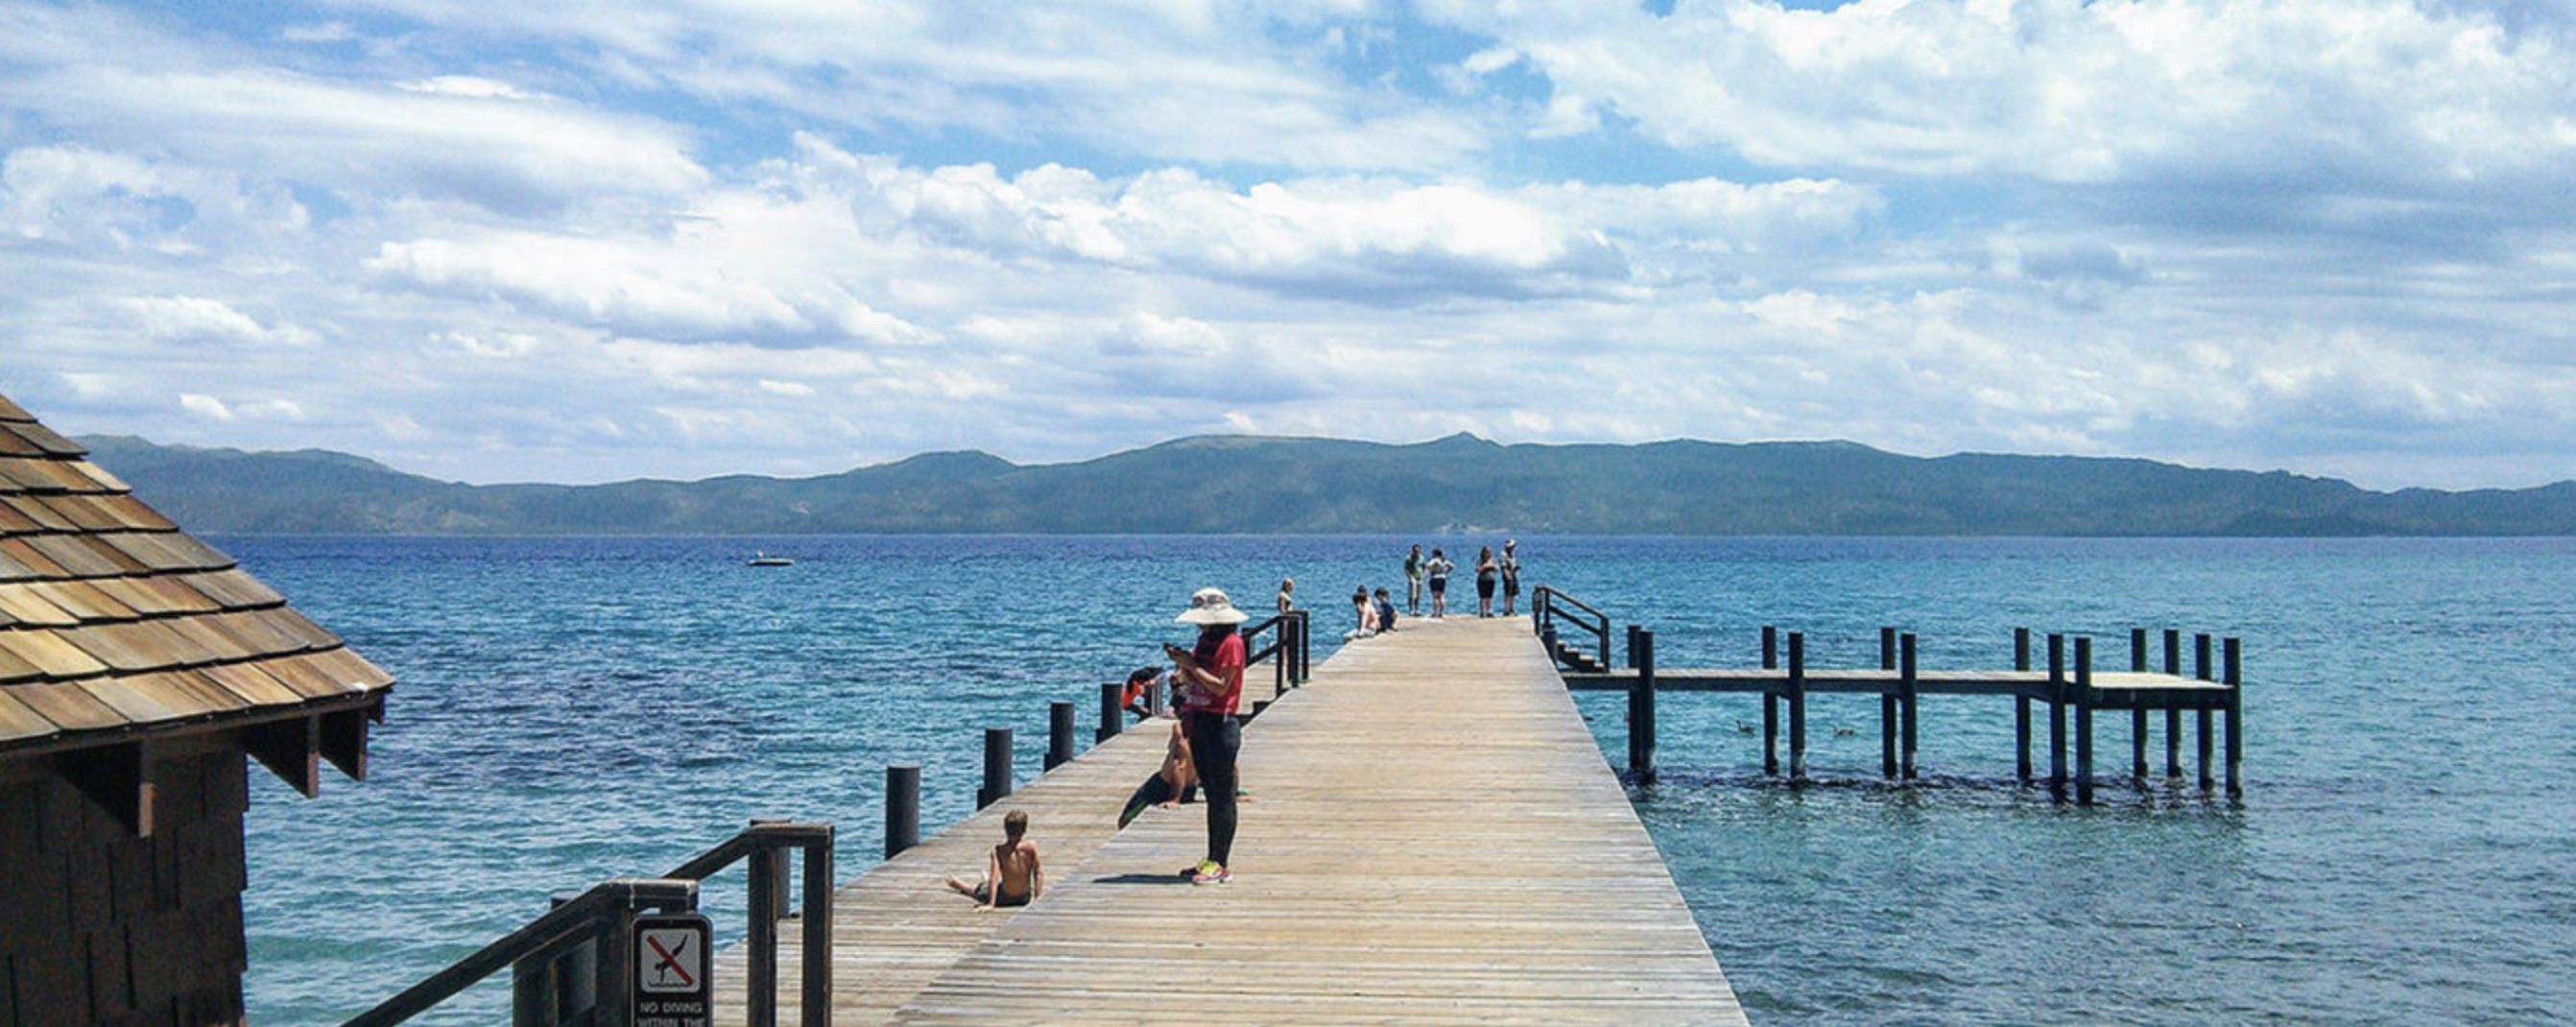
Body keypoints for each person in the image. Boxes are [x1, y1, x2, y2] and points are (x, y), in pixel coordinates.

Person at [1167, 586, 1246, 885]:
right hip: (1200, 721)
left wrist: (1192, 666)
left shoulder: (1232, 643)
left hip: (1221, 722)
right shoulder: (1204, 641)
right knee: (1211, 794)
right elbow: (1197, 676)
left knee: (1223, 796)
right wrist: (1183, 669)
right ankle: (1212, 858)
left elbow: (1221, 686)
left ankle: (1221, 863)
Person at [945, 809, 1042, 912]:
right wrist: (1038, 900)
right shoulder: (1031, 847)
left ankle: (960, 885)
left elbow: (994, 877)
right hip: (1024, 897)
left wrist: (991, 904)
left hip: (1005, 897)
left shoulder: (998, 851)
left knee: (978, 892)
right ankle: (984, 881)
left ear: (1005, 830)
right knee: (987, 886)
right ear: (1024, 830)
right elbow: (1038, 873)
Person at [1118, 716, 1198, 827]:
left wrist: (1174, 798)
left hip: (1163, 787)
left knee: (1125, 820)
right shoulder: (1214, 732)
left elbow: (1179, 764)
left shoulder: (1181, 728)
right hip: (1190, 789)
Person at [1425, 547, 1453, 618]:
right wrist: (1446, 572)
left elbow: (1428, 565)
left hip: (1435, 578)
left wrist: (1431, 569)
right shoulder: (1444, 560)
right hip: (1443, 578)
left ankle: (1435, 612)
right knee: (1441, 596)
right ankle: (1441, 612)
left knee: (1435, 597)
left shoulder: (1435, 560)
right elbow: (1452, 566)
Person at [1474, 545, 1498, 617]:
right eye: (1487, 552)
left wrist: (1492, 566)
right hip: (1482, 580)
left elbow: (1497, 569)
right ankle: (1482, 611)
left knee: (1489, 597)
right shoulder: (1480, 561)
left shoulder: (1492, 560)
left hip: (1491, 580)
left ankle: (1489, 611)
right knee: (1482, 597)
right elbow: (1477, 569)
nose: (1488, 553)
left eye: (1489, 552)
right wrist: (1485, 566)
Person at [1499, 539, 1522, 616]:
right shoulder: (1504, 554)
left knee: (1513, 593)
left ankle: (1511, 608)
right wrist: (1507, 575)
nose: (1513, 548)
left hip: (1513, 575)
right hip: (1508, 576)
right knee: (1508, 593)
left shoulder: (1511, 555)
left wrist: (1516, 568)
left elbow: (1512, 565)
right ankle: (1506, 609)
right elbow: (1503, 566)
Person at [1402, 544, 1425, 615]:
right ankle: (1411, 609)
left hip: (1420, 578)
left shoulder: (1421, 558)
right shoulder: (1409, 558)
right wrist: (1410, 577)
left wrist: (1423, 577)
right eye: (1415, 551)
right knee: (1412, 595)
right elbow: (1406, 569)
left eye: (1418, 551)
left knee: (1418, 595)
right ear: (1413, 551)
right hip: (1412, 577)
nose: (1416, 552)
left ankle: (1417, 609)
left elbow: (1425, 567)